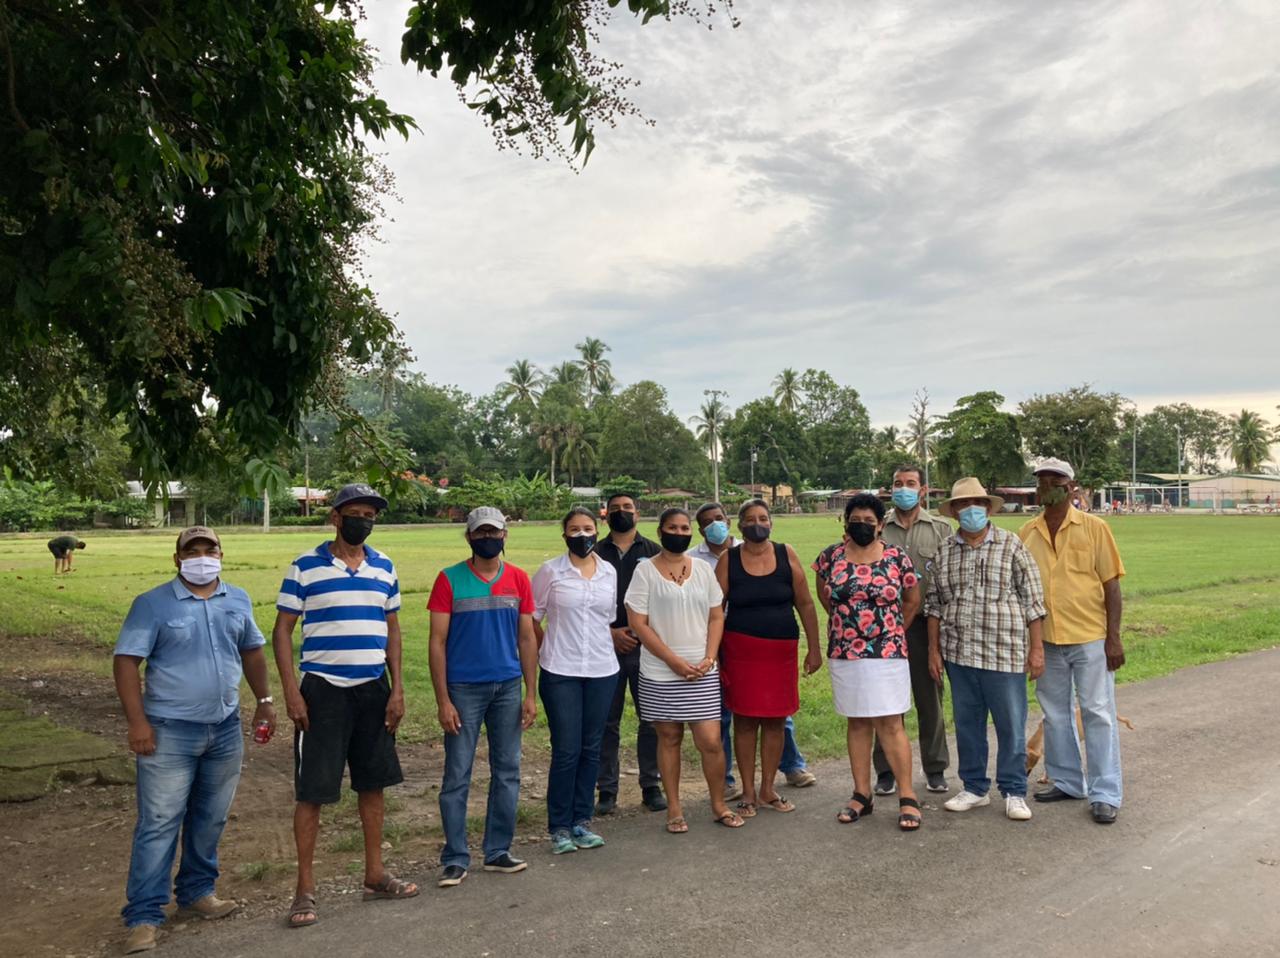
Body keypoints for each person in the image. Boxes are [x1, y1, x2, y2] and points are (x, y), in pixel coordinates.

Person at [113, 526, 275, 954]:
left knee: (210, 817)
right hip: (169, 731)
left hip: (224, 728)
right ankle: (144, 915)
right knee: (159, 822)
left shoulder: (237, 599)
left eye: (209, 549)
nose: (201, 556)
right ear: (177, 559)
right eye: (192, 550)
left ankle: (197, 892)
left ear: (221, 554)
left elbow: (252, 651)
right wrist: (137, 723)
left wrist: (265, 701)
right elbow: (126, 662)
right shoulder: (152, 604)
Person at [273, 484, 416, 929]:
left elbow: (393, 629)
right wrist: (292, 691)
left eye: (370, 515)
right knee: (313, 791)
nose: (363, 522)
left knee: (373, 784)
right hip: (323, 691)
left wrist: (397, 687)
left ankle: (375, 875)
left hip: (373, 688)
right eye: (355, 513)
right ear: (335, 517)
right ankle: (304, 889)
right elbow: (282, 631)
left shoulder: (384, 566)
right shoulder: (305, 566)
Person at [924, 478, 1046, 822]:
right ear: (954, 512)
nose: (971, 510)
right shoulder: (945, 550)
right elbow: (934, 604)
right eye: (963, 505)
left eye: (977, 503)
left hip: (1003, 651)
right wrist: (933, 650)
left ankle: (1014, 790)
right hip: (959, 653)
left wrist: (1037, 649)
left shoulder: (1011, 545)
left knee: (1011, 725)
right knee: (968, 724)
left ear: (988, 508)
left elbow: (1033, 600)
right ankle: (975, 788)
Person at [428, 506, 538, 886]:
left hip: (507, 686)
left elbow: (527, 638)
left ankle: (497, 850)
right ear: (469, 537)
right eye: (481, 532)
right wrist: (443, 700)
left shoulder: (519, 579)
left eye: (494, 532)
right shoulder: (449, 579)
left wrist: (530, 693)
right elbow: (437, 642)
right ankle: (455, 857)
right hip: (463, 690)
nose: (488, 538)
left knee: (508, 771)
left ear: (505, 535)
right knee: (457, 774)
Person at [1020, 458, 1127, 824]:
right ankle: (1067, 781)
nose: (1047, 486)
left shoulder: (1094, 528)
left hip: (1090, 637)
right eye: (1042, 480)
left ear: (1071, 487)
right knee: (1054, 714)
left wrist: (1113, 639)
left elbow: (1112, 586)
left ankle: (1105, 792)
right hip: (1047, 639)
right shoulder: (1027, 533)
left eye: (1055, 480)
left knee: (1097, 712)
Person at [625, 507, 744, 831]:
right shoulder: (645, 571)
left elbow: (716, 616)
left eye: (684, 528)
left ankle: (719, 804)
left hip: (701, 670)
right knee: (669, 738)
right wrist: (673, 661)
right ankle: (674, 809)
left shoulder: (703, 570)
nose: (678, 533)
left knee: (711, 741)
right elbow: (638, 623)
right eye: (672, 527)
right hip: (660, 672)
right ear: (660, 531)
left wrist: (709, 657)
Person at [813, 495, 924, 831]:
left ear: (880, 525)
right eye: (855, 520)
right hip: (846, 653)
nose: (861, 525)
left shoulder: (896, 557)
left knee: (891, 723)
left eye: (868, 521)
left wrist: (889, 631)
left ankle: (907, 795)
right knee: (858, 722)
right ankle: (862, 793)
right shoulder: (830, 556)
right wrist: (847, 626)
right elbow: (825, 594)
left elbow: (912, 600)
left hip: (887, 653)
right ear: (846, 522)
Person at [692, 503, 817, 797]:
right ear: (739, 525)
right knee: (745, 722)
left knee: (776, 720)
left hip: (780, 652)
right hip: (741, 652)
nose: (757, 524)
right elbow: (714, 610)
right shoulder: (729, 559)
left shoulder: (787, 553)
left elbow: (805, 603)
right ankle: (748, 792)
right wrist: (711, 652)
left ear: (771, 523)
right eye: (750, 520)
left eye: (762, 518)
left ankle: (768, 790)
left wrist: (814, 648)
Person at [531, 507, 619, 855]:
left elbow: (607, 618)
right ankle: (559, 826)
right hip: (561, 670)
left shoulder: (609, 572)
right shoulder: (550, 571)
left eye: (587, 528)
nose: (582, 535)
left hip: (602, 669)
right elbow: (532, 618)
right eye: (574, 529)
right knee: (567, 749)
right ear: (564, 535)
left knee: (591, 747)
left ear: (597, 531)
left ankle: (582, 820)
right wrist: (545, 647)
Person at [869, 465, 954, 796]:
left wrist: (938, 638)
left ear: (922, 490)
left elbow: (946, 582)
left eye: (910, 483)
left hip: (925, 625)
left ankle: (935, 767)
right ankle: (886, 769)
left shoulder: (941, 529)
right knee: (886, 701)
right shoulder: (878, 528)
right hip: (885, 626)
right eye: (897, 483)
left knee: (929, 697)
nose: (903, 489)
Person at [593, 492, 666, 815]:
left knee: (650, 719)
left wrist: (639, 633)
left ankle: (651, 785)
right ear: (606, 514)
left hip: (646, 648)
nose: (621, 512)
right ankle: (606, 790)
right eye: (615, 508)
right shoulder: (594, 553)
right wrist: (610, 634)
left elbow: (664, 601)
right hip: (604, 648)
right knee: (606, 721)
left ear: (637, 514)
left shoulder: (654, 552)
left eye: (627, 508)